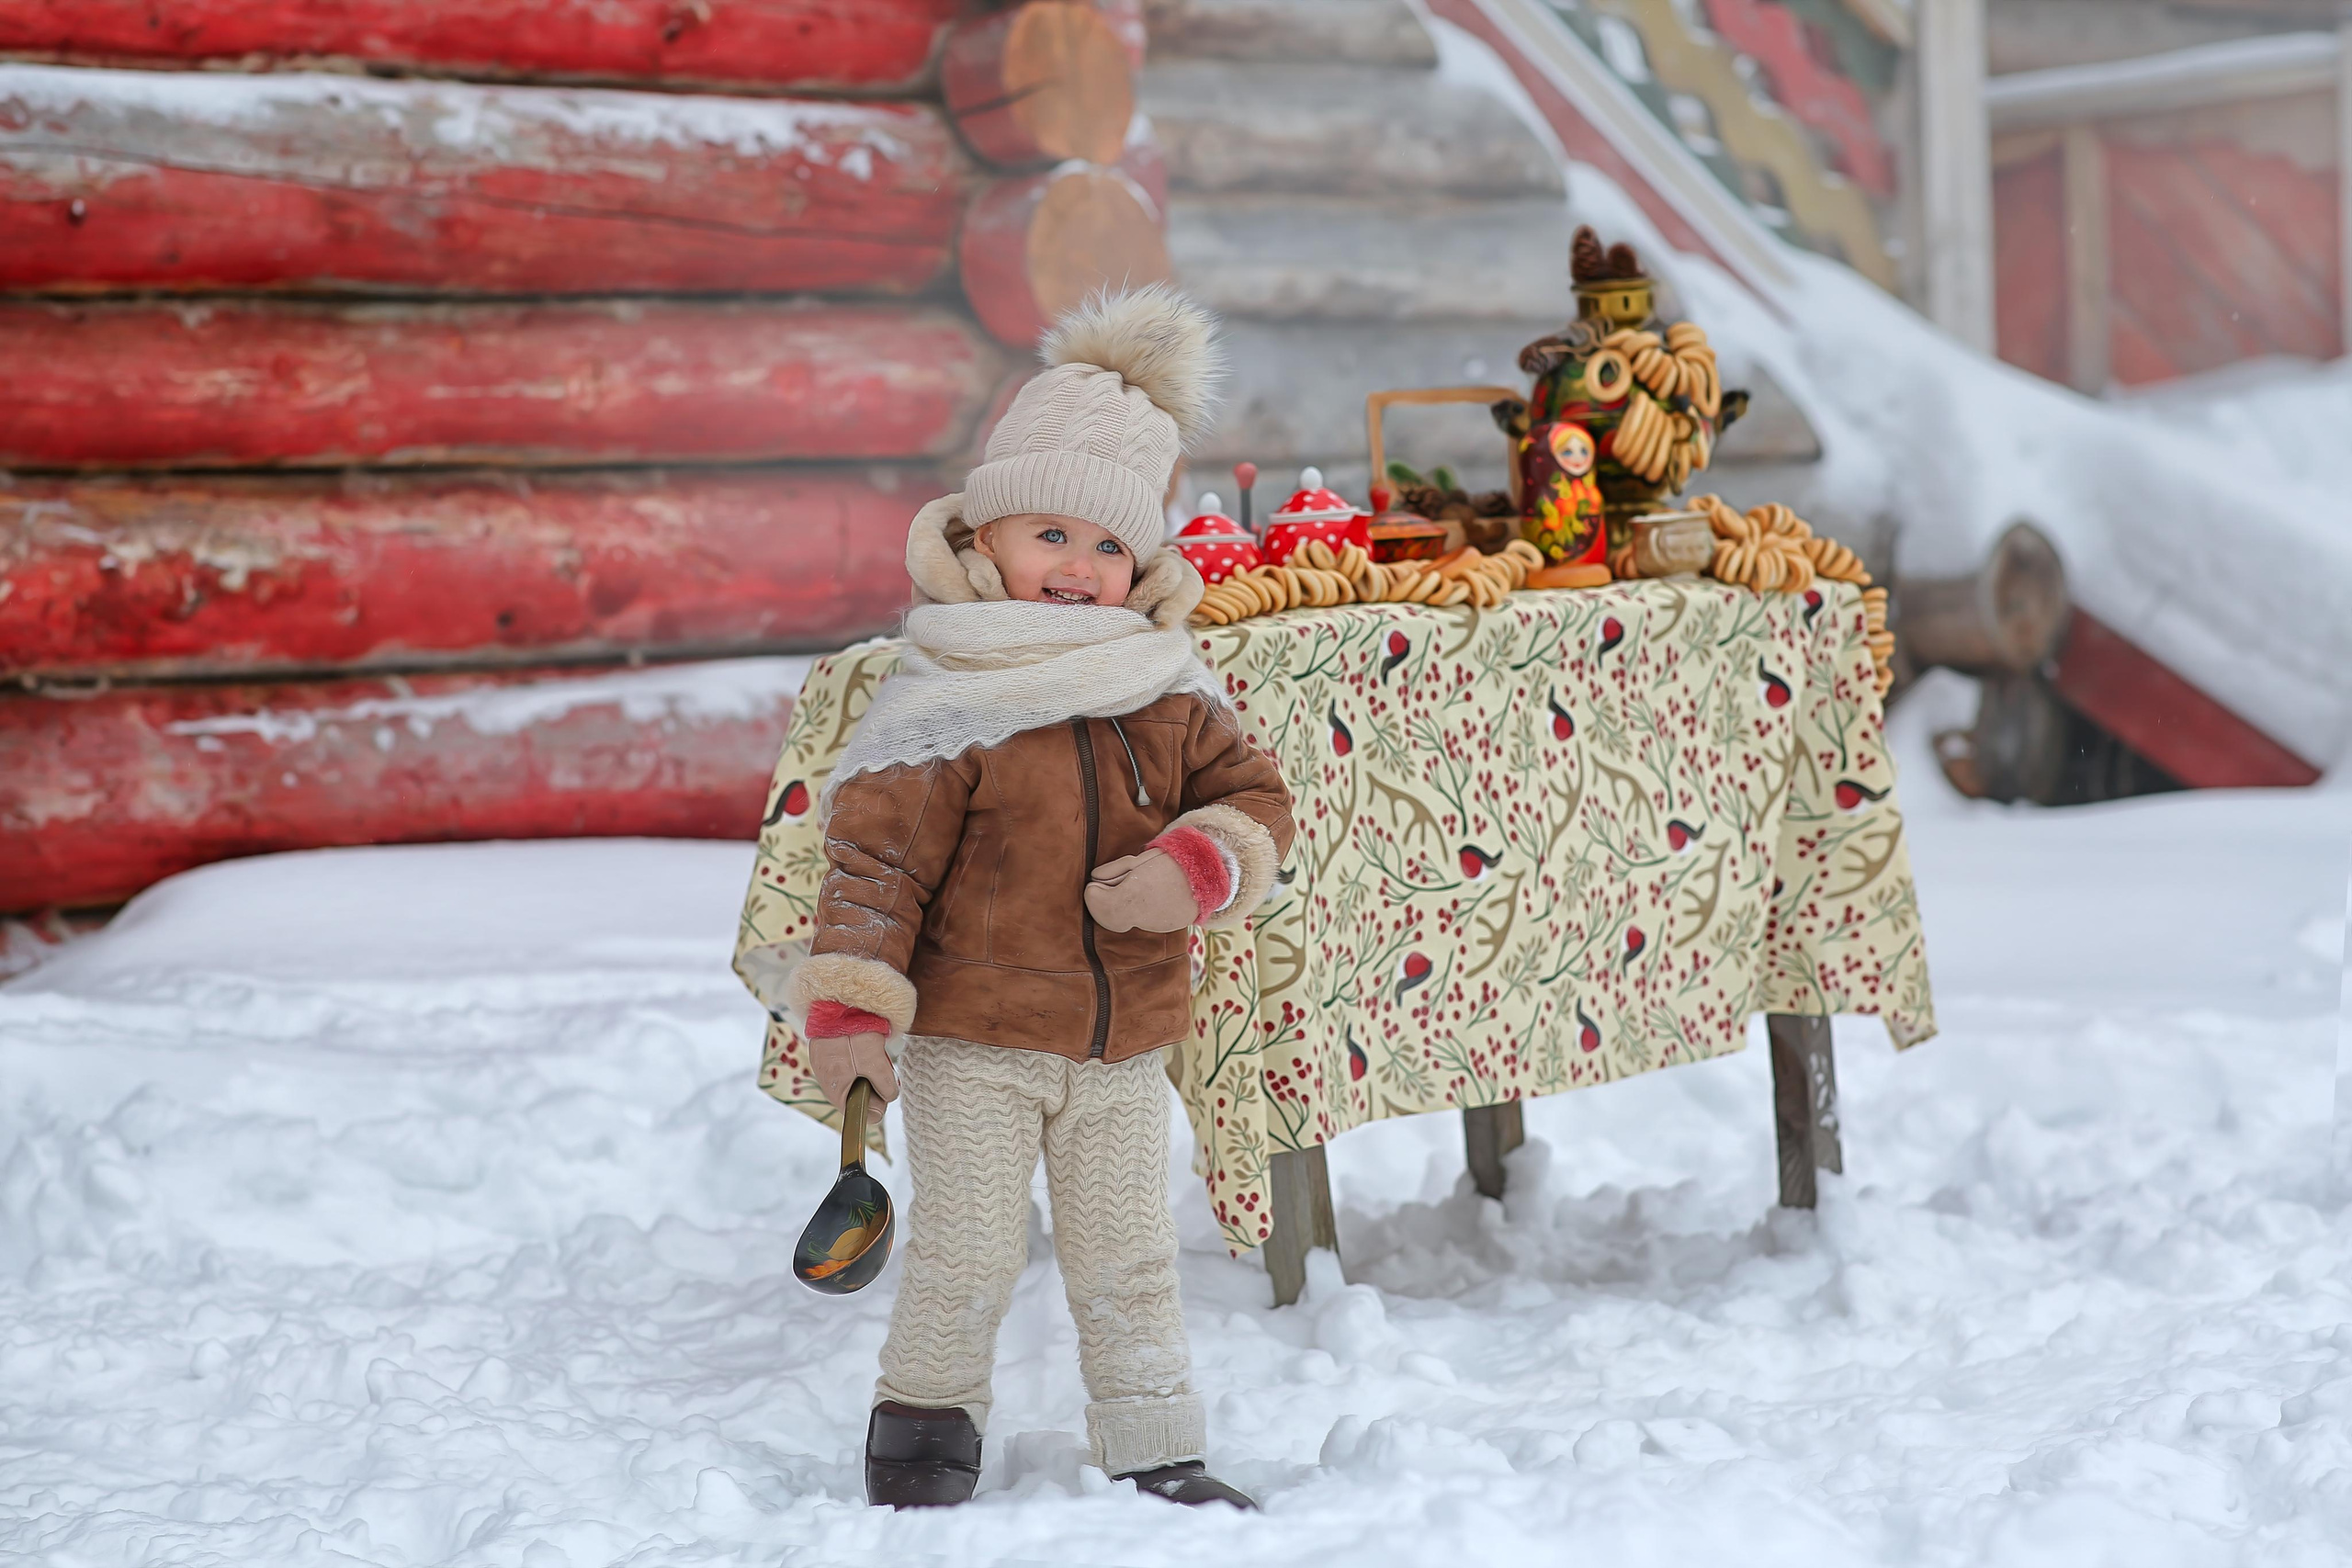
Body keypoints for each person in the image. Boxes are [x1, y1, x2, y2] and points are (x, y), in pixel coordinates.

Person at [759, 287, 1294, 1511]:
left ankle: (1156, 1443)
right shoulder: (949, 694)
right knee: (969, 1249)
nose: (1079, 567)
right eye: (1052, 534)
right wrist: (849, 1011)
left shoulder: (1167, 687)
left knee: (1129, 1256)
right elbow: (878, 867)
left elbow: (1257, 798)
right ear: (983, 539)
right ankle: (922, 1436)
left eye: (1109, 548)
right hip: (975, 1040)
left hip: (1121, 1041)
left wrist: (1192, 869)